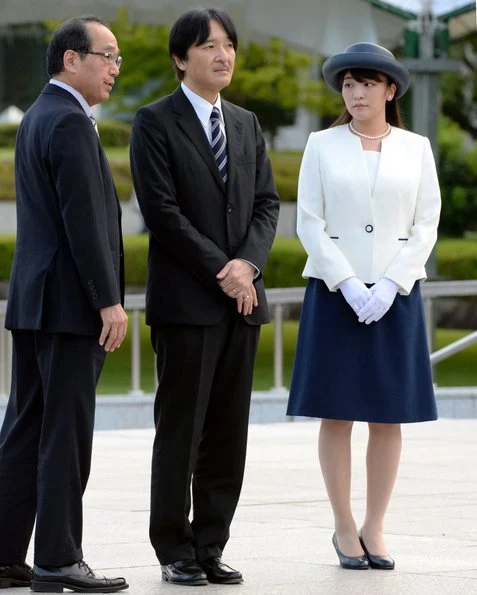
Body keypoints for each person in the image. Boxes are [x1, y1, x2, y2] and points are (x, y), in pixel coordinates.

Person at [130, 7, 279, 587]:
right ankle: (174, 548)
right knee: (181, 432)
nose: (224, 55)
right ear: (180, 57)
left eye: (229, 46)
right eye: (210, 46)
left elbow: (265, 204)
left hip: (241, 305)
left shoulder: (245, 123)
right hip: (189, 304)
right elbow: (161, 212)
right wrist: (224, 269)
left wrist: (250, 266)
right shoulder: (154, 121)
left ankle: (211, 546)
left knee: (227, 433)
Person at [286, 43, 441, 570]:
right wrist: (348, 282)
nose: (355, 93)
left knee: (388, 415)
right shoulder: (321, 145)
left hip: (395, 297)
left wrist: (391, 282)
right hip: (336, 295)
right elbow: (309, 222)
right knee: (337, 412)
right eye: (348, 84)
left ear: (390, 89)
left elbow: (426, 225)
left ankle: (376, 524)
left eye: (367, 84)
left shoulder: (417, 148)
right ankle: (344, 526)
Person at [0, 16, 128, 592]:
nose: (114, 68)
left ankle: (6, 555)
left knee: (25, 426)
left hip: (34, 302)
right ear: (70, 60)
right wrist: (109, 302)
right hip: (71, 306)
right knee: (64, 433)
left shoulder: (37, 117)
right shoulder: (71, 123)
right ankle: (58, 556)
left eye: (118, 59)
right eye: (106, 56)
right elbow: (84, 223)